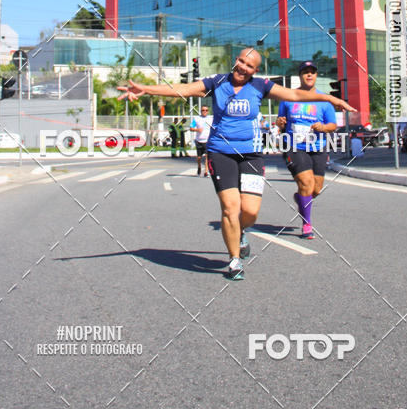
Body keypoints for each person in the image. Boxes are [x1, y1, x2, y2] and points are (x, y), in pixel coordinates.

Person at [119, 47, 354, 280]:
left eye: (249, 65)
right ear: (236, 61)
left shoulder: (260, 86)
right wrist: (146, 89)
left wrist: (331, 98)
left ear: (255, 70)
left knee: (250, 212)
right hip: (220, 153)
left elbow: (295, 96)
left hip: (250, 154)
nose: (243, 67)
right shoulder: (217, 82)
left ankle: (241, 232)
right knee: (230, 208)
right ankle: (234, 260)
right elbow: (183, 89)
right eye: (241, 61)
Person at [276, 61, 338, 240]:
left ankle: (301, 198)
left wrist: (323, 127)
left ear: (316, 75)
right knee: (306, 183)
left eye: (312, 72)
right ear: (300, 76)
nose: (309, 75)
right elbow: (281, 121)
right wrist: (279, 123)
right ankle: (307, 223)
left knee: (316, 189)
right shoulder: (289, 97)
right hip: (294, 146)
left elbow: (333, 124)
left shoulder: (324, 100)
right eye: (305, 72)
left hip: (317, 147)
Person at [191, 105, 212, 176]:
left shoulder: (211, 119)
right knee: (199, 157)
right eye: (203, 110)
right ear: (201, 111)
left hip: (207, 140)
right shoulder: (197, 119)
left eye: (206, 110)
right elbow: (191, 128)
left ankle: (206, 171)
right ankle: (199, 166)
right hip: (198, 140)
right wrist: (197, 130)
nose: (205, 112)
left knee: (207, 156)